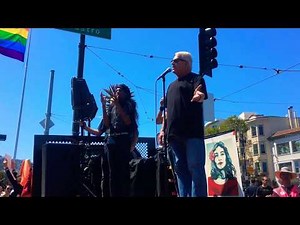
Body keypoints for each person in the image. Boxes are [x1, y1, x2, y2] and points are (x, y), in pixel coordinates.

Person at [158, 51, 208, 197]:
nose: (172, 63)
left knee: (195, 167)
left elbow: (201, 93)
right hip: (173, 135)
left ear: (186, 64)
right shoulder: (170, 86)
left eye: (176, 60)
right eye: (172, 61)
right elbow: (167, 113)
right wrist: (162, 131)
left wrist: (199, 95)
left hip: (192, 133)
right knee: (180, 170)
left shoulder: (196, 78)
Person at [101, 83, 139, 197]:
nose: (117, 92)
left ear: (126, 93)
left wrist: (117, 104)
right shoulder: (112, 106)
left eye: (120, 90)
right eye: (116, 90)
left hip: (123, 139)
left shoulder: (129, 105)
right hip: (112, 140)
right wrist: (103, 105)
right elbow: (107, 124)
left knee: (123, 171)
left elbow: (128, 121)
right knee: (112, 173)